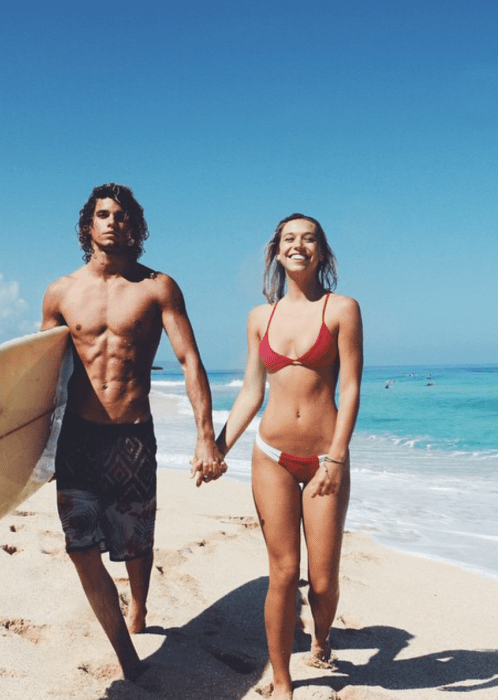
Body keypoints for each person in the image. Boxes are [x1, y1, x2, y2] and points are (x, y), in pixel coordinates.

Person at [41, 183, 227, 680]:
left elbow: (189, 361)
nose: (112, 222)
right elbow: (37, 374)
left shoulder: (157, 287)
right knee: (80, 549)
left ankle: (139, 606)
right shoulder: (60, 292)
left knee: (137, 544)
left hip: (132, 438)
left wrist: (205, 435)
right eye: (102, 214)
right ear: (88, 225)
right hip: (78, 439)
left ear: (134, 226)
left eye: (122, 216)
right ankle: (127, 657)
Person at [215, 213, 363, 699]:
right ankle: (281, 681)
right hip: (270, 455)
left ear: (321, 251)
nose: (298, 246)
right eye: (288, 240)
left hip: (324, 460)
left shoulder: (342, 309)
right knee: (283, 571)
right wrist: (218, 446)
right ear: (277, 252)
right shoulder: (261, 318)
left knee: (322, 581)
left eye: (308, 239)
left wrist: (337, 457)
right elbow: (251, 393)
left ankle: (321, 636)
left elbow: (351, 387)